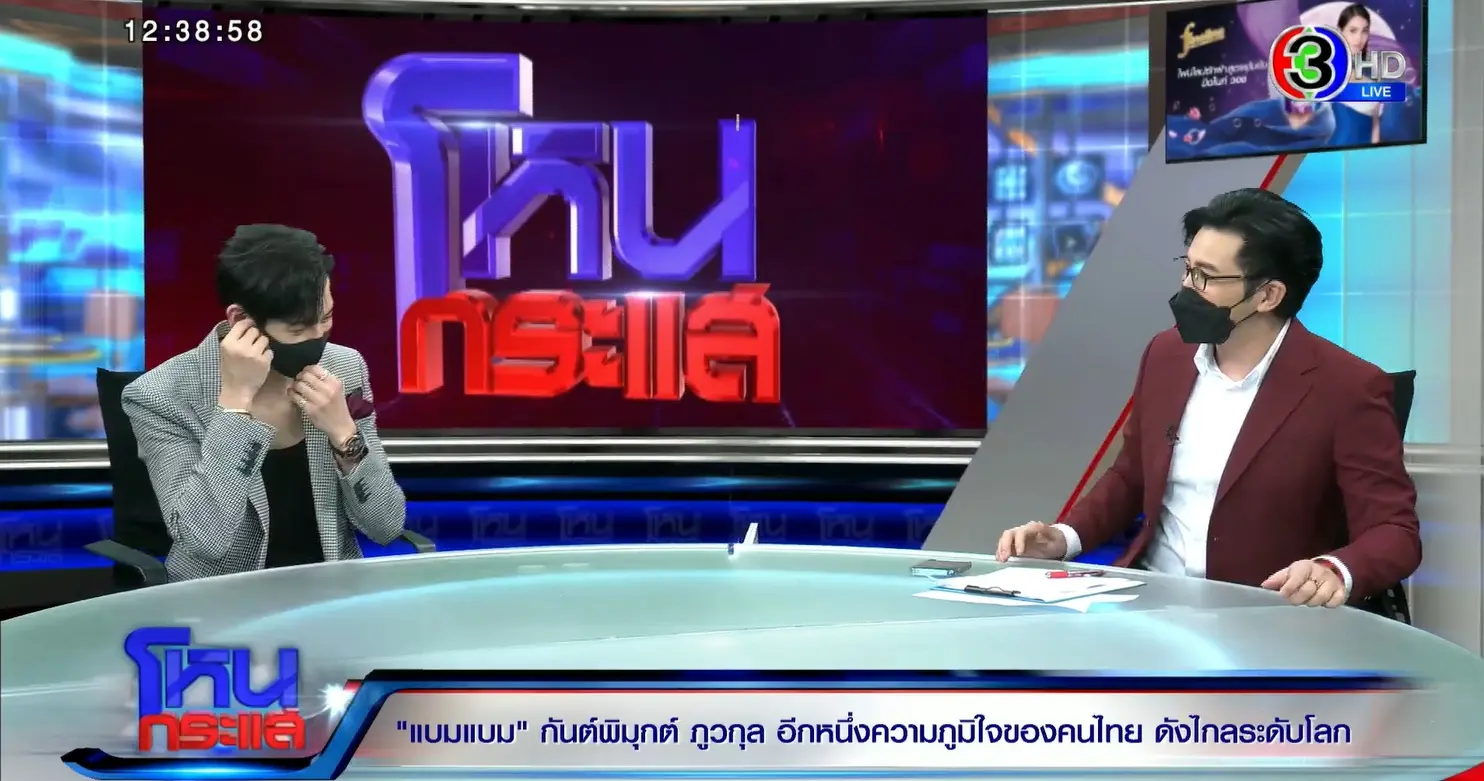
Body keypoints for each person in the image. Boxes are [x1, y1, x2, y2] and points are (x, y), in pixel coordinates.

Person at [996, 189, 1420, 608]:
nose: (1187, 287)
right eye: (1187, 268)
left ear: (1268, 295)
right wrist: (1063, 538)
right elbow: (1131, 476)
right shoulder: (1166, 355)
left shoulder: (1347, 387)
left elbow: (1395, 532)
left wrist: (1333, 569)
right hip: (1150, 600)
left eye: (1205, 276)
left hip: (1262, 614)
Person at [124, 224, 406, 581]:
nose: (318, 339)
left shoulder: (344, 368)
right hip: (221, 600)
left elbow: (386, 525)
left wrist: (344, 435)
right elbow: (204, 541)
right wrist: (235, 406)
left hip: (329, 594)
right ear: (241, 320)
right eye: (298, 330)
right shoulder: (161, 395)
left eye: (326, 319)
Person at [1330, 4, 1384, 147]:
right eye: (1353, 31)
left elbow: (1376, 124)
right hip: (1336, 150)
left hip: (1368, 153)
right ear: (1340, 31)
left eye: (1364, 31)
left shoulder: (1372, 71)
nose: (1359, 38)